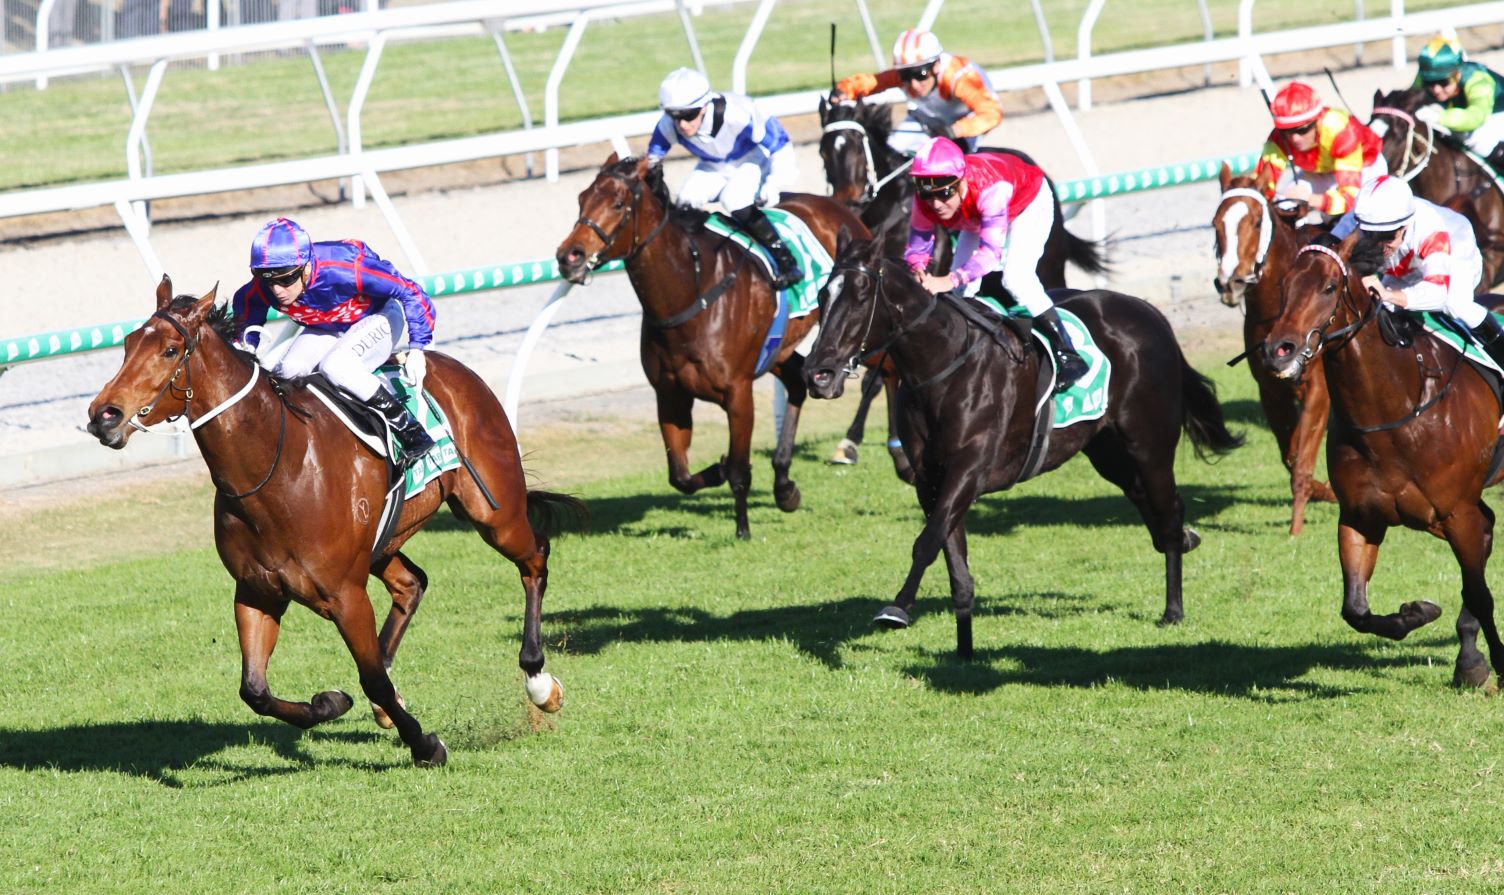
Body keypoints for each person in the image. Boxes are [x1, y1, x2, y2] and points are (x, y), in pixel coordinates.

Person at [232, 217, 438, 467]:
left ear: (306, 267)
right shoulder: (265, 288)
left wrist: (418, 347)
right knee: (287, 372)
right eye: (268, 280)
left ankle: (412, 432)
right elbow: (246, 311)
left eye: (286, 279)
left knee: (336, 366)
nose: (277, 290)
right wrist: (244, 346)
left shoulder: (344, 269)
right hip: (327, 326)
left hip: (379, 315)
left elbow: (410, 291)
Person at [902, 136, 1087, 391]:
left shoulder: (991, 190)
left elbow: (990, 256)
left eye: (944, 194)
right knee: (961, 292)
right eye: (927, 195)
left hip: (1027, 201)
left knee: (1016, 278)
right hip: (973, 214)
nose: (936, 204)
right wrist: (918, 269)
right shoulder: (925, 200)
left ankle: (1069, 355)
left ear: (960, 181)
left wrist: (949, 279)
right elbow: (917, 247)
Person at [647, 67, 802, 289]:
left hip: (752, 161)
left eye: (689, 115)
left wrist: (774, 183)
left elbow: (780, 145)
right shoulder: (669, 125)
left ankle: (786, 261)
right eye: (674, 116)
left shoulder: (739, 113)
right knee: (684, 203)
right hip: (713, 166)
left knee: (734, 199)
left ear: (705, 105)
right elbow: (651, 161)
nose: (682, 125)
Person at [1333, 175, 1504, 366]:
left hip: (1454, 246)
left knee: (1456, 305)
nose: (1380, 246)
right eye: (1372, 235)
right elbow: (1326, 256)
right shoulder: (1355, 221)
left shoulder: (1429, 226)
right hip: (1408, 262)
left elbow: (1438, 293)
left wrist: (1388, 294)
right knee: (1381, 307)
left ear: (1405, 226)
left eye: (1387, 236)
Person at [831, 28, 1003, 156]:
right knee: (892, 151)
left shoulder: (959, 77)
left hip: (966, 123)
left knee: (950, 157)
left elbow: (991, 114)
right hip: (929, 118)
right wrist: (844, 90)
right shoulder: (909, 74)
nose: (913, 84)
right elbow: (873, 82)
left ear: (936, 65)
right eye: (905, 75)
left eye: (921, 74)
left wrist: (954, 131)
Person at [1254, 81, 1387, 224]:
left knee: (1350, 219)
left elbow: (1350, 198)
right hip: (1320, 172)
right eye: (1287, 131)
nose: (1294, 138)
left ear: (1317, 121)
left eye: (1302, 130)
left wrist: (1312, 200)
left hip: (1364, 167)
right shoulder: (1278, 138)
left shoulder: (1341, 131)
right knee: (1285, 203)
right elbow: (1260, 187)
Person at [1411, 32, 1504, 173]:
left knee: (1476, 138)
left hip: (1495, 115)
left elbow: (1476, 117)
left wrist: (1439, 117)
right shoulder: (1423, 78)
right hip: (1464, 114)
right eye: (1430, 83)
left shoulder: (1478, 80)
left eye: (1443, 82)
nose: (1436, 89)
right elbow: (1408, 100)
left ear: (1457, 75)